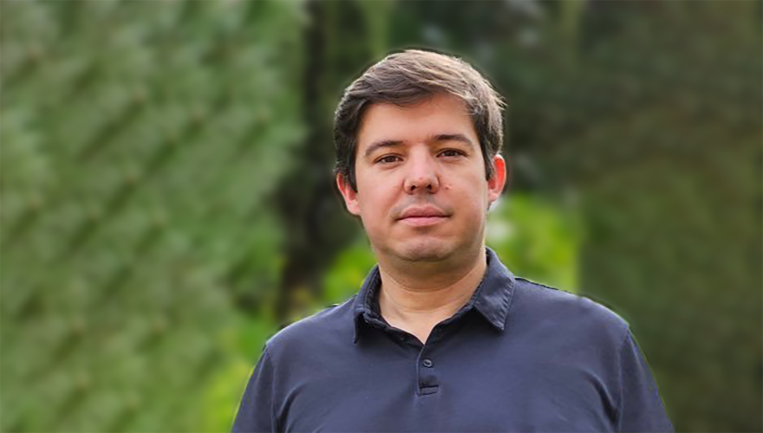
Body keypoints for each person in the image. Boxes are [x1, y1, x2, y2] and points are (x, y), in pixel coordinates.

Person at [232, 49, 673, 432]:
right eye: (389, 158)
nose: (421, 177)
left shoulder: (595, 343)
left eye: (449, 152)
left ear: (493, 179)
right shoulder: (290, 363)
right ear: (350, 191)